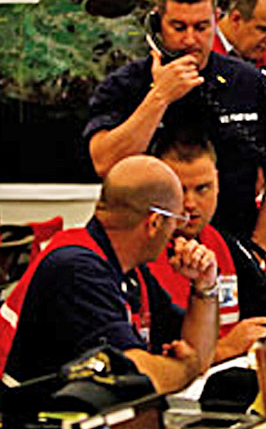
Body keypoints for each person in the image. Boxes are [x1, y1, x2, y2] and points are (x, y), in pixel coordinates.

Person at [83, 0, 266, 252]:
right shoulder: (125, 85)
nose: (190, 40)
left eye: (201, 27)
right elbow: (105, 162)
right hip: (147, 251)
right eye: (179, 27)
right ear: (157, 25)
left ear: (216, 20)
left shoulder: (247, 81)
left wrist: (259, 243)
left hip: (233, 243)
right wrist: (159, 97)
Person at [0, 156, 218, 394]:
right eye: (176, 222)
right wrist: (186, 368)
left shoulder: (130, 270)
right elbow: (136, 378)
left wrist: (204, 287)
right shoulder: (76, 270)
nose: (176, 234)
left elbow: (199, 355)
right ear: (155, 223)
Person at [148, 135, 266, 363]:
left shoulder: (222, 242)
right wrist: (225, 348)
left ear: (218, 184)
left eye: (202, 188)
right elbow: (155, 359)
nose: (190, 203)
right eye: (180, 190)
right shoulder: (142, 254)